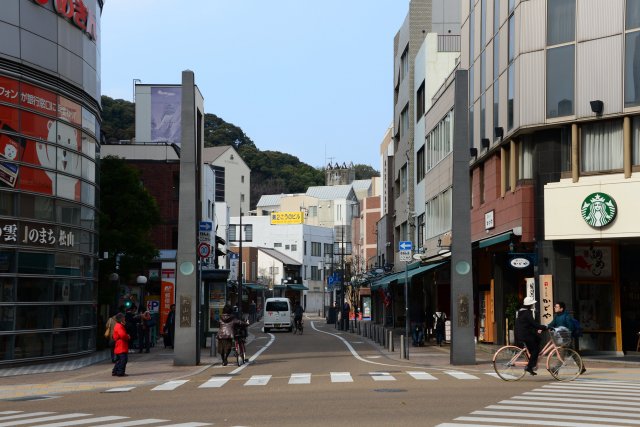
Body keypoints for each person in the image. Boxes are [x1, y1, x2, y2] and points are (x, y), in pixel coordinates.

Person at [548, 301, 586, 374]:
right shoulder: (557, 316)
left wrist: (565, 333)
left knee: (561, 353)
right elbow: (552, 324)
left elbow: (571, 327)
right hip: (560, 338)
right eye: (555, 306)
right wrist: (545, 327)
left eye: (556, 307)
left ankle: (555, 369)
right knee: (573, 354)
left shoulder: (566, 316)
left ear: (561, 309)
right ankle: (582, 368)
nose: (554, 308)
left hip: (565, 339)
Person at [514, 296, 547, 376]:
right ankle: (529, 366)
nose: (533, 305)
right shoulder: (527, 313)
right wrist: (544, 327)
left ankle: (531, 364)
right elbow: (533, 323)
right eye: (532, 304)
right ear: (529, 305)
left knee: (537, 340)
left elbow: (528, 324)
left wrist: (538, 329)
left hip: (520, 334)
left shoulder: (521, 312)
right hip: (525, 335)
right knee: (536, 349)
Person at [112, 313, 130, 377]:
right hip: (121, 345)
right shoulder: (119, 326)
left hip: (119, 345)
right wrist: (127, 337)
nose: (124, 319)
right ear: (121, 319)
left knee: (119, 360)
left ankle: (115, 371)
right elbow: (122, 335)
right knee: (123, 360)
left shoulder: (117, 325)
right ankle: (120, 372)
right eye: (123, 317)